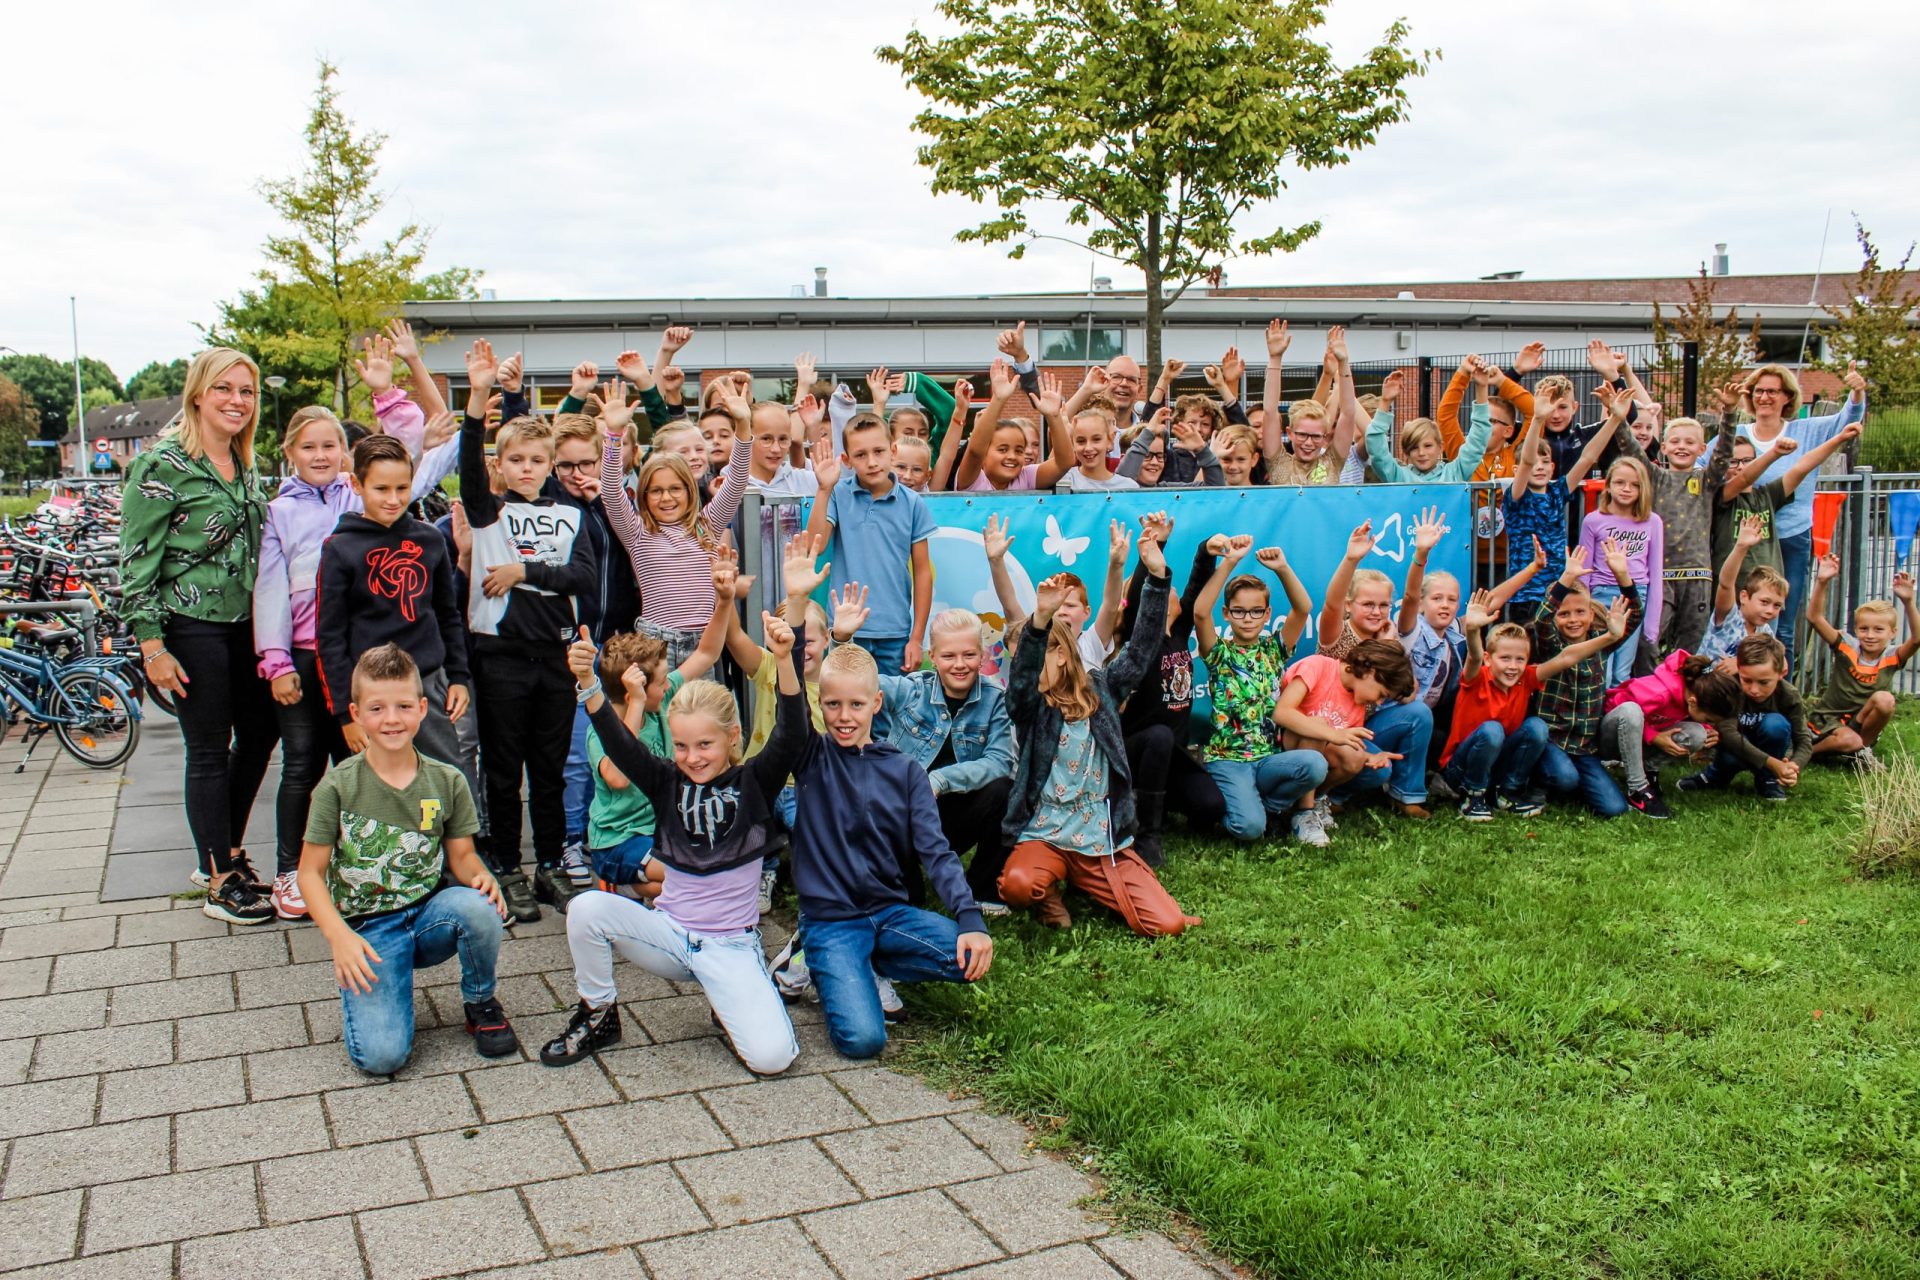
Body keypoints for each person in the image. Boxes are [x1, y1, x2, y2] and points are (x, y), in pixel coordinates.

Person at [549, 614, 807, 1075]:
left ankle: (743, 991)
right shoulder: (666, 780)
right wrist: (588, 682)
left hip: (729, 945)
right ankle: (599, 1014)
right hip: (668, 935)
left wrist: (785, 660)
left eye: (705, 744)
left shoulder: (755, 781)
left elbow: (792, 735)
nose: (692, 757)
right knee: (586, 908)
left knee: (773, 1060)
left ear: (732, 738)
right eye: (683, 746)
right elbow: (618, 745)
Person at [254, 383, 460, 919]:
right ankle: (310, 871)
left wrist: (387, 391)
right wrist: (327, 694)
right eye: (308, 446)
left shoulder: (425, 536)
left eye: (401, 489)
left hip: (424, 680)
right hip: (337, 675)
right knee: (321, 770)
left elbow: (447, 613)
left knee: (435, 771)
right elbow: (323, 625)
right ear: (358, 485)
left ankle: (446, 868)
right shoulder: (317, 533)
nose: (392, 498)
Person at [297, 644, 516, 1075]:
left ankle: (480, 1000)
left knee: (477, 906)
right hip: (369, 928)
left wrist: (482, 878)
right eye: (377, 708)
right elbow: (309, 874)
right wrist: (338, 937)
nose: (391, 719)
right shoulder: (337, 788)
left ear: (421, 709)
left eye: (401, 706)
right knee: (382, 1058)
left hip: (427, 913)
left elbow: (463, 856)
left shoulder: (447, 780)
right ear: (356, 713)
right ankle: (388, 981)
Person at [121, 347, 280, 923]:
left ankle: (228, 851)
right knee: (209, 750)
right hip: (190, 628)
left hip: (246, 626)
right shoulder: (163, 464)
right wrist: (152, 645)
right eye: (225, 389)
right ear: (197, 394)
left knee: (261, 733)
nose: (237, 400)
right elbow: (137, 560)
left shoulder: (247, 462)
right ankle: (217, 878)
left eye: (247, 391)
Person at [784, 641, 995, 1057]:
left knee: (967, 958)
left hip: (887, 913)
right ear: (820, 703)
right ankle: (821, 958)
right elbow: (791, 708)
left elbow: (936, 851)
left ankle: (857, 965)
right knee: (864, 1040)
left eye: (856, 704)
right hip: (832, 920)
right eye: (832, 704)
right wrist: (791, 619)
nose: (844, 717)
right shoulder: (810, 756)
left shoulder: (905, 771)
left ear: (877, 703)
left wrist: (970, 918)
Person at [996, 535, 1201, 936]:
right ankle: (1050, 895)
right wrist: (1039, 621)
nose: (1028, 664)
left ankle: (1091, 883)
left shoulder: (1101, 689)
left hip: (1099, 837)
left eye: (1039, 654)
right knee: (1019, 885)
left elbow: (1141, 649)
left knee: (1169, 924)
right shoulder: (1030, 707)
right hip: (1046, 833)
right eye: (1025, 656)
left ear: (1060, 655)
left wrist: (1157, 579)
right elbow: (1021, 682)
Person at [459, 341, 598, 921]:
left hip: (554, 657)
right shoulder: (486, 508)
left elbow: (584, 576)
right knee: (502, 768)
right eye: (515, 460)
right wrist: (477, 399)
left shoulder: (571, 513)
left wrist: (524, 572)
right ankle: (506, 868)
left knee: (547, 769)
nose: (526, 469)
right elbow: (469, 464)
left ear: (548, 464)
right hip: (501, 657)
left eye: (536, 461)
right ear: (501, 463)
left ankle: (547, 865)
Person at [826, 594, 1015, 909]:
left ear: (982, 657)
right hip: (901, 816)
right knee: (904, 900)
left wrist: (939, 781)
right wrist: (842, 639)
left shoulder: (995, 700)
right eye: (949, 655)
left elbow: (999, 762)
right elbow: (856, 683)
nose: (959, 664)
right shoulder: (911, 689)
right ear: (934, 656)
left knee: (1005, 790)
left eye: (969, 655)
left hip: (955, 815)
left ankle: (982, 890)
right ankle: (891, 869)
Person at [581, 552, 738, 904]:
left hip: (660, 832)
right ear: (633, 689)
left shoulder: (661, 699)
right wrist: (636, 705)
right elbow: (619, 778)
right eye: (660, 682)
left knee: (699, 879)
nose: (668, 686)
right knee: (689, 874)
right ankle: (626, 880)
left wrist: (724, 601)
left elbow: (707, 653)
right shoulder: (601, 731)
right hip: (618, 841)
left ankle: (633, 889)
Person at [599, 357, 755, 672]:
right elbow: (611, 491)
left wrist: (743, 424)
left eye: (676, 489)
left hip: (704, 641)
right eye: (656, 491)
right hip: (655, 645)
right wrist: (613, 436)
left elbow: (738, 477)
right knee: (657, 720)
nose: (667, 497)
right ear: (644, 495)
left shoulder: (707, 524)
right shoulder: (637, 532)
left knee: (703, 720)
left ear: (689, 490)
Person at [1725, 360, 1868, 670]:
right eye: (1759, 391)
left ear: (1787, 396)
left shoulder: (1806, 430)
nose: (1764, 397)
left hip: (1790, 538)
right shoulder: (1737, 434)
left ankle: (1781, 696)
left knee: (1783, 625)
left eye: (1773, 391)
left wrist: (1856, 395)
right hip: (1744, 541)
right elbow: (1706, 466)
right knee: (1736, 619)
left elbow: (1847, 423)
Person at [1439, 594, 1628, 820]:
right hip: (1460, 770)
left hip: (1496, 766)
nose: (1512, 666)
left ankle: (1507, 792)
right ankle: (1472, 796)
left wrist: (1610, 636)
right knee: (1492, 730)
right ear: (1489, 659)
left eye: (1519, 659)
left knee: (1537, 726)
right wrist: (1471, 631)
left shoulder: (1525, 679)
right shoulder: (1477, 678)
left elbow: (1566, 658)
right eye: (1505, 658)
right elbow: (1474, 657)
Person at [1190, 533, 1322, 842]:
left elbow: (1303, 609)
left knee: (1315, 764)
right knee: (1248, 830)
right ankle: (1243, 813)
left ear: (1266, 614)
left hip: (1268, 758)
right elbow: (1199, 612)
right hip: (1228, 759)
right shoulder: (1219, 653)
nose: (1247, 618)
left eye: (1255, 611)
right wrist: (1229, 562)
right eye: (1238, 611)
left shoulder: (1274, 649)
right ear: (1227, 614)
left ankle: (1268, 808)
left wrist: (1282, 568)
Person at [1113, 523, 1229, 856]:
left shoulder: (1178, 632)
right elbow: (1137, 599)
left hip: (1172, 756)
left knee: (1210, 808)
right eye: (1164, 586)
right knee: (1160, 734)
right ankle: (1148, 832)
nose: (1173, 590)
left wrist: (1207, 548)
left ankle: (1160, 803)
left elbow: (1196, 587)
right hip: (1135, 753)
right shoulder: (1140, 644)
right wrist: (1156, 547)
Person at [1606, 386, 1742, 656]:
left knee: (1690, 646)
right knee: (1648, 641)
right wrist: (1618, 416)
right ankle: (1647, 691)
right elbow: (1631, 450)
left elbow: (1724, 453)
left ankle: (1682, 695)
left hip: (1698, 575)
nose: (1682, 447)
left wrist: (1729, 412)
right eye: (1676, 442)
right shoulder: (1655, 477)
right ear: (1664, 446)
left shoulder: (1706, 480)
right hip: (1660, 575)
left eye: (1690, 443)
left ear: (1701, 448)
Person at [1317, 521, 1433, 817]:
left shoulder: (1388, 636)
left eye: (1383, 605)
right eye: (1367, 603)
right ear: (1349, 605)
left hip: (1367, 728)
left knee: (1419, 713)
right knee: (1379, 770)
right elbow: (1330, 605)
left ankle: (1407, 795)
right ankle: (1331, 793)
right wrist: (1351, 558)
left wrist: (1391, 649)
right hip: (1329, 731)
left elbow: (1408, 696)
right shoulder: (1337, 633)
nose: (1376, 611)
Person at [804, 415, 935, 673]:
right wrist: (823, 489)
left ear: (892, 450)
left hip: (896, 633)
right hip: (845, 629)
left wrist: (917, 637)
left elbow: (922, 573)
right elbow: (815, 546)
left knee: (890, 710)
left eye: (878, 451)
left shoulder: (912, 503)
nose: (872, 462)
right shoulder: (838, 494)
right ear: (847, 460)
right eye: (861, 455)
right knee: (846, 709)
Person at [1527, 545, 1647, 819]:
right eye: (1565, 614)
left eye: (1580, 612)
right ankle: (1540, 781)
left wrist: (1623, 576)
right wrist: (1566, 579)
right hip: (1552, 740)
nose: (1573, 620)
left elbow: (1635, 614)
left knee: (1614, 809)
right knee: (1565, 778)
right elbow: (1542, 619)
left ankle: (1578, 779)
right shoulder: (1551, 646)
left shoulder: (1601, 646)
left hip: (1584, 747)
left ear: (1592, 614)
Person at [1271, 641, 1417, 847]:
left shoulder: (1357, 702)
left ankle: (1317, 800)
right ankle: (1303, 813)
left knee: (1355, 754)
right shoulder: (1318, 666)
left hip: (1313, 759)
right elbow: (1281, 713)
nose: (1379, 702)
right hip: (1278, 750)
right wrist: (1330, 733)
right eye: (1382, 694)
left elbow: (1342, 747)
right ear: (1372, 672)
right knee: (1318, 727)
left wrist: (1369, 757)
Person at [1504, 389, 1619, 623]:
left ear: (1553, 467)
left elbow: (1587, 457)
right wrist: (1537, 420)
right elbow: (1526, 460)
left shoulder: (1558, 491)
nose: (1539, 467)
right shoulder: (1517, 496)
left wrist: (1615, 419)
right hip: (1527, 595)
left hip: (1558, 591)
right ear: (1517, 471)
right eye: (1534, 463)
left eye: (1545, 462)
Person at [1805, 556, 1917, 769]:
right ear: (1855, 630)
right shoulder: (1846, 646)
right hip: (1828, 720)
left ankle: (1861, 753)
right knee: (1849, 740)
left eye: (1878, 630)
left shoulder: (1892, 656)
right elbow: (1815, 618)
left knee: (1885, 700)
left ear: (1893, 633)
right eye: (1864, 629)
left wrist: (1909, 602)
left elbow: (1917, 639)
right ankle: (1807, 753)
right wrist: (1822, 581)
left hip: (1859, 721)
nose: (1870, 635)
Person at [1602, 651, 1742, 815]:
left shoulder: (1693, 693)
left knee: (1698, 734)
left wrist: (1708, 730)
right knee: (1632, 711)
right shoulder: (1659, 693)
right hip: (1607, 740)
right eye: (1709, 719)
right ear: (1693, 702)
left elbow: (1692, 718)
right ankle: (1637, 790)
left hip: (1639, 740)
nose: (1710, 723)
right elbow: (1617, 709)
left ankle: (1649, 771)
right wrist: (1653, 736)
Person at [1677, 633, 1813, 801]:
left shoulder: (1789, 695)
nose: (1754, 690)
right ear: (1738, 669)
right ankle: (1716, 775)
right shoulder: (1730, 688)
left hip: (1768, 749)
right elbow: (1728, 733)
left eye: (1763, 682)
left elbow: (1804, 739)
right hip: (1733, 750)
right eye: (1746, 680)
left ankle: (1768, 780)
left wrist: (1793, 767)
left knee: (1776, 725)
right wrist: (1773, 763)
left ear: (1782, 673)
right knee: (1728, 749)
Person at [985, 513, 1126, 671]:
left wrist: (1116, 565)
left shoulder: (1093, 643)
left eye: (1070, 606)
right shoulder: (1031, 641)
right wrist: (996, 561)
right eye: (1055, 606)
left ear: (1086, 613)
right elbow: (1010, 605)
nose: (1062, 612)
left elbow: (1111, 606)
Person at [1578, 450, 1664, 684]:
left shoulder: (1652, 521)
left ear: (1642, 489)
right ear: (1608, 485)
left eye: (1634, 485)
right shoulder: (1594, 520)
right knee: (1601, 666)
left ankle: (1616, 717)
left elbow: (1655, 574)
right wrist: (1585, 607)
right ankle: (1597, 717)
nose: (1626, 489)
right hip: (1602, 596)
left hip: (1636, 597)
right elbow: (1584, 569)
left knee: (1622, 672)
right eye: (1619, 482)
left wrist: (1651, 627)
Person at [1365, 359, 1495, 484]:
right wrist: (1385, 401)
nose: (1421, 453)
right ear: (1406, 452)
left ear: (1440, 447)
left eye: (1428, 446)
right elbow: (1377, 450)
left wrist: (1482, 387)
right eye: (1414, 448)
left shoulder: (1455, 473)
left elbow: (1478, 439)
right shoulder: (1398, 476)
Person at [956, 361, 1073, 493]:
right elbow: (974, 452)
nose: (1012, 456)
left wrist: (1054, 417)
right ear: (985, 454)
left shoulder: (1025, 477)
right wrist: (998, 399)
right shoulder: (973, 481)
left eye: (1019, 451)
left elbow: (1064, 462)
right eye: (1002, 449)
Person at [1700, 516, 1788, 663]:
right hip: (1708, 681)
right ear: (1744, 597)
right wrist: (1741, 547)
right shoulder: (1729, 618)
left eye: (1777, 605)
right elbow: (1726, 584)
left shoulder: (1765, 633)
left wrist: (1738, 665)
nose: (1770, 610)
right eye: (1764, 602)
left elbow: (1780, 665)